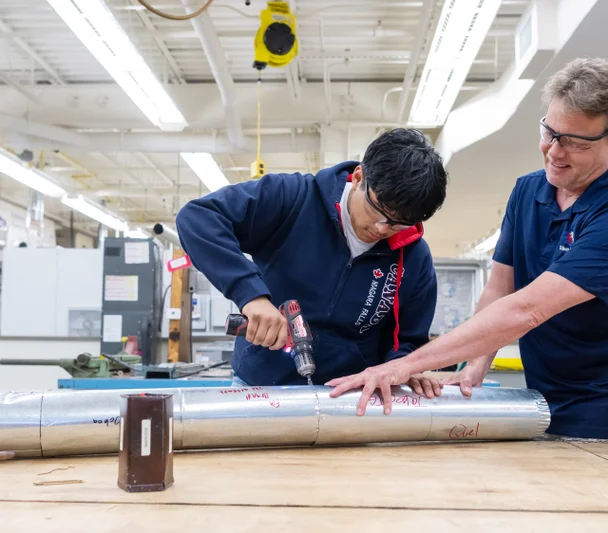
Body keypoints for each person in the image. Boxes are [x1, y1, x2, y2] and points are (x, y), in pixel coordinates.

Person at [327, 58, 608, 440]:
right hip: (539, 402)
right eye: (550, 132)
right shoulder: (528, 192)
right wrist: (476, 365)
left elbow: (526, 310)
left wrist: (402, 366)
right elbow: (500, 289)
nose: (554, 152)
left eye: (574, 142)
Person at [176, 128, 448, 396]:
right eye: (377, 210)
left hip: (350, 396)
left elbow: (409, 339)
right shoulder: (293, 198)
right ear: (358, 177)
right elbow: (198, 218)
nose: (381, 228)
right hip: (258, 386)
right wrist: (250, 295)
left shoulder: (413, 257)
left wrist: (407, 367)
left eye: (398, 223)